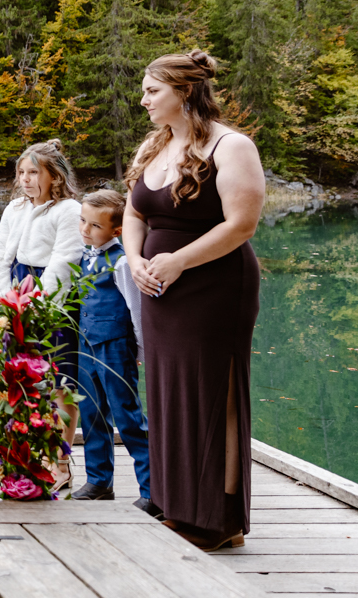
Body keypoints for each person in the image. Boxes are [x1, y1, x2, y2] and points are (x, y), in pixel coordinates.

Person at [125, 50, 264, 551]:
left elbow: (241, 224)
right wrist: (135, 259)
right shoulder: (155, 147)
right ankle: (177, 503)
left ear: (183, 92)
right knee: (169, 391)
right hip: (159, 287)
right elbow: (134, 214)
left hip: (215, 287)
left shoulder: (232, 146)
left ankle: (219, 518)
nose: (142, 99)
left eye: (151, 90)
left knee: (214, 392)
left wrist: (179, 260)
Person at [0, 139, 84, 490]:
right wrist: (4, 297)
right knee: (21, 380)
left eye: (34, 173)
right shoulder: (15, 208)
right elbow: (0, 254)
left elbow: (65, 261)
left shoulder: (69, 210)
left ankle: (60, 461)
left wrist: (39, 304)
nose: (26, 179)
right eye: (21, 173)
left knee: (60, 383)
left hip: (52, 299)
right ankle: (25, 456)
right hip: (17, 289)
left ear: (53, 175)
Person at [70, 189, 152, 509]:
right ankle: (99, 481)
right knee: (91, 414)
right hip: (86, 345)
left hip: (115, 347)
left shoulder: (120, 262)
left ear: (117, 230)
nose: (85, 229)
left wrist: (140, 350)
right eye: (82, 221)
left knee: (127, 416)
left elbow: (136, 309)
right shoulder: (82, 256)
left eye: (94, 226)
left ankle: (151, 489)